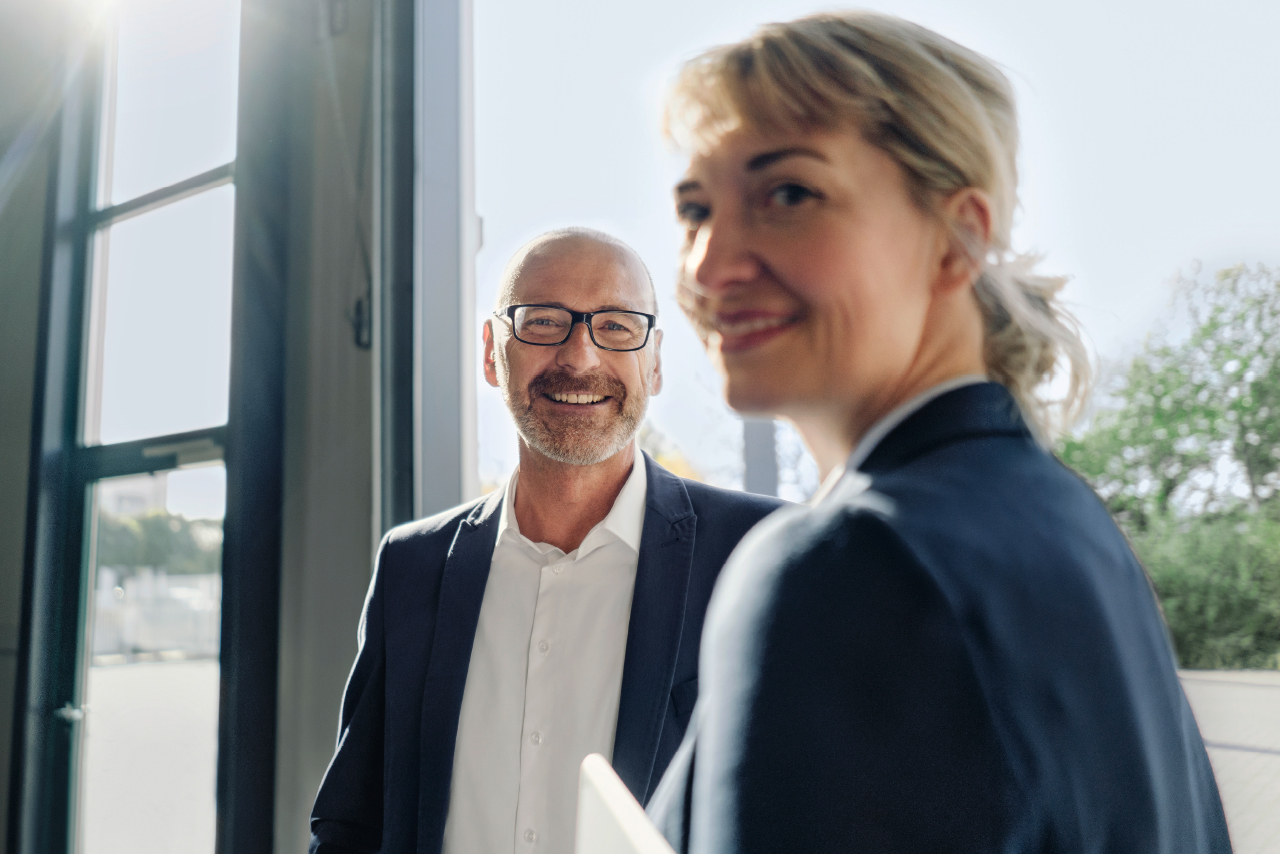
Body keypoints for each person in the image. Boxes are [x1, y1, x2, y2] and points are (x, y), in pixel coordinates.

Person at [645, 13, 1230, 854]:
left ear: (960, 237)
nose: (709, 265)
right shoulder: (1070, 524)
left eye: (788, 195)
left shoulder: (846, 563)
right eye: (695, 209)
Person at [308, 229, 783, 854]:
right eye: (542, 322)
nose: (580, 357)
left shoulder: (761, 552)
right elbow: (351, 825)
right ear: (491, 351)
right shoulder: (412, 566)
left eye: (615, 326)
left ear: (657, 360)